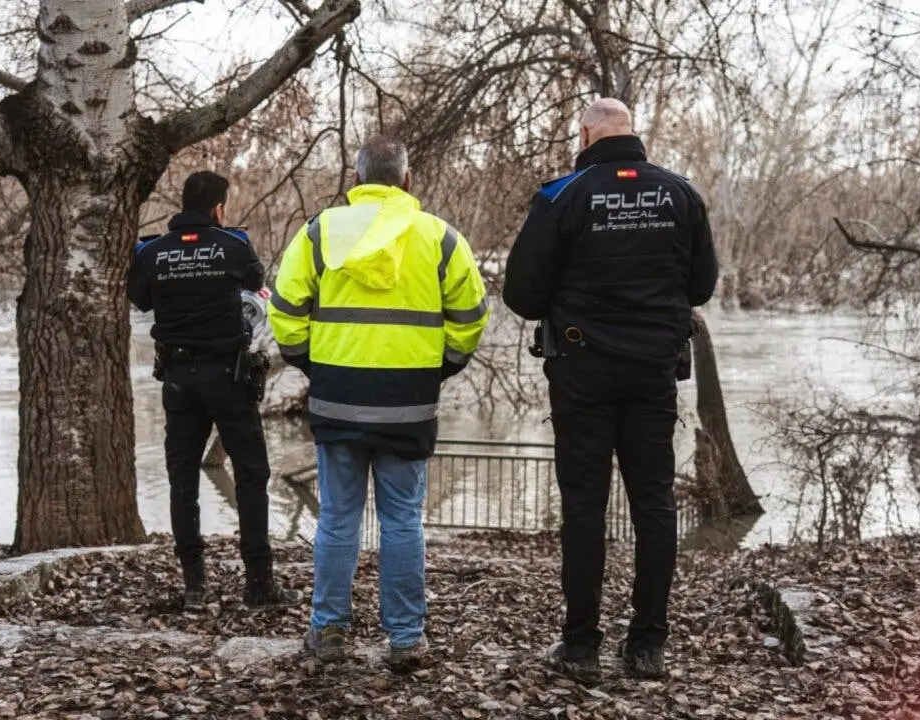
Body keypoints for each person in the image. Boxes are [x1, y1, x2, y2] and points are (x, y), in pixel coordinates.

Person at [503, 99, 718, 681]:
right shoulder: (681, 194)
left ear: (585, 134)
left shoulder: (561, 196)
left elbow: (521, 294)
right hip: (652, 372)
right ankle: (647, 645)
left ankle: (580, 647)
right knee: (654, 504)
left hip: (582, 370)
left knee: (584, 506)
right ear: (632, 133)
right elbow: (701, 286)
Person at [268, 137, 490, 672]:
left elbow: (284, 311)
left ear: (358, 178)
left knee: (338, 519)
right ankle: (406, 639)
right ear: (406, 180)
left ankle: (328, 631)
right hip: (408, 403)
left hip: (338, 399)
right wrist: (440, 368)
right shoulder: (439, 237)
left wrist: (315, 366)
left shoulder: (320, 232)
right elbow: (471, 318)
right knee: (403, 521)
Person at [127, 170, 301, 611]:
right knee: (252, 476)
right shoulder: (234, 245)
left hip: (180, 380)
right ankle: (259, 583)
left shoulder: (153, 252)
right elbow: (255, 284)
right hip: (229, 377)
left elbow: (141, 299)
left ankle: (194, 586)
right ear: (219, 208)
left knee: (182, 479)